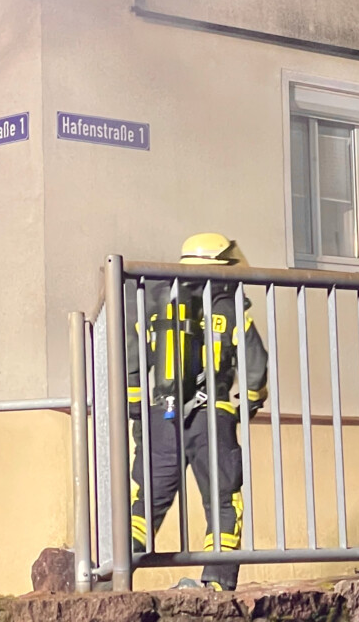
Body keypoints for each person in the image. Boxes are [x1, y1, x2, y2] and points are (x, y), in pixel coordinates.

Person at [128, 233, 270, 590]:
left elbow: (132, 361)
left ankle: (114, 575)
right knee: (224, 503)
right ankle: (216, 584)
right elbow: (256, 366)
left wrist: (138, 411)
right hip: (212, 418)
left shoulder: (155, 304)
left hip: (162, 417)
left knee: (145, 504)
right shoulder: (230, 308)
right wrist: (249, 402)